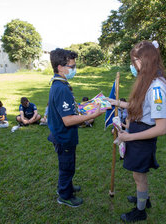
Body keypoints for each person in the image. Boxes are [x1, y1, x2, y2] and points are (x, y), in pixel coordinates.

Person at [108, 40, 166, 222]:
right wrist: (115, 102)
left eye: (134, 60)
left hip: (143, 136)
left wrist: (129, 137)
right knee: (139, 174)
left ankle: (140, 210)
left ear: (144, 61)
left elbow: (160, 128)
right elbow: (139, 106)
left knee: (139, 175)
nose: (132, 65)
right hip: (138, 132)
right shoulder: (148, 81)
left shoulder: (157, 88)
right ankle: (145, 199)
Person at [47, 48, 104, 208]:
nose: (74, 69)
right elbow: (68, 119)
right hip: (64, 136)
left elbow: (68, 109)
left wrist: (87, 107)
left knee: (67, 164)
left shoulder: (59, 84)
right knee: (67, 167)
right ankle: (64, 195)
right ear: (60, 67)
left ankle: (67, 187)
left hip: (62, 135)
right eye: (71, 66)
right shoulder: (62, 88)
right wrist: (92, 116)